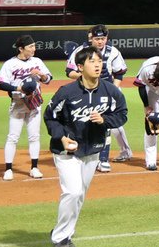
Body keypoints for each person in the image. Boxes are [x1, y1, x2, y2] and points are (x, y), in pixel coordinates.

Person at [46, 46, 128, 247]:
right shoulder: (67, 92)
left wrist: (105, 120)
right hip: (67, 150)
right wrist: (61, 137)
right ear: (80, 67)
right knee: (72, 192)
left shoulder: (110, 91)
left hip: (93, 150)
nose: (98, 65)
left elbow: (122, 114)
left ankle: (65, 231)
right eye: (92, 61)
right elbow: (50, 117)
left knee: (80, 195)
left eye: (99, 61)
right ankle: (60, 239)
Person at [65, 25, 130, 171]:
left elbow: (119, 73)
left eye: (103, 38)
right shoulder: (81, 51)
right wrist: (84, 75)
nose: (100, 41)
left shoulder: (113, 51)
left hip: (107, 92)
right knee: (81, 121)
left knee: (105, 124)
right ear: (91, 38)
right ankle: (82, 155)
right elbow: (69, 72)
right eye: (97, 39)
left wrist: (113, 90)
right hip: (84, 92)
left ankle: (103, 159)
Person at [0, 35, 53, 181]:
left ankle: (34, 168)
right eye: (30, 46)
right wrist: (18, 88)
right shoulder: (10, 64)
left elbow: (48, 79)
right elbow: (0, 83)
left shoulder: (37, 62)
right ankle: (8, 169)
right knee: (13, 137)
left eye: (34, 46)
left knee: (34, 136)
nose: (34, 49)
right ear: (21, 49)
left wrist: (41, 74)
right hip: (18, 104)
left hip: (34, 104)